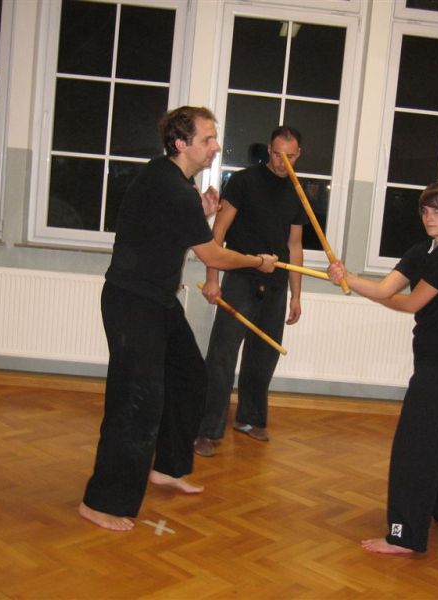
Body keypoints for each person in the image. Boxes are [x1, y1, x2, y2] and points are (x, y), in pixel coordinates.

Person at [79, 106, 279, 532]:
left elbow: (165, 228)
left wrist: (199, 213)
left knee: (190, 377)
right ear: (181, 143)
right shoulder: (171, 187)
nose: (215, 145)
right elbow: (213, 256)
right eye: (207, 138)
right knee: (136, 401)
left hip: (157, 301)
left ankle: (167, 467)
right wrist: (257, 261)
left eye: (214, 137)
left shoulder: (173, 181)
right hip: (133, 304)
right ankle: (101, 501)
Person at [327, 182, 438, 555]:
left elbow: (409, 304)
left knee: (415, 447)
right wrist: (345, 277)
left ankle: (404, 535)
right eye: (425, 210)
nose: (429, 217)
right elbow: (383, 289)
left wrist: (380, 296)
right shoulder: (423, 250)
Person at [194, 127, 309, 457]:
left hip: (277, 282)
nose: (282, 161)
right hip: (241, 277)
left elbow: (295, 246)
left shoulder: (298, 191)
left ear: (299, 155)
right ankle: (207, 430)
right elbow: (218, 231)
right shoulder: (244, 181)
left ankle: (250, 418)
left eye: (290, 156)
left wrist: (296, 295)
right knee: (222, 355)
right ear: (269, 150)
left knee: (264, 354)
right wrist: (213, 278)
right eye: (277, 154)